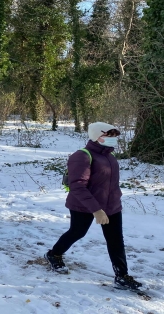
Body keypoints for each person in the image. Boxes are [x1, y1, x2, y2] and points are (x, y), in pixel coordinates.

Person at [44, 122, 142, 290]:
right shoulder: (81, 156)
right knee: (77, 232)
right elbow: (77, 186)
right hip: (83, 205)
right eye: (109, 135)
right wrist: (96, 210)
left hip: (111, 206)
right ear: (97, 137)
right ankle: (54, 254)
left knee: (116, 240)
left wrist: (115, 200)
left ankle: (122, 276)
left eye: (114, 136)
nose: (113, 139)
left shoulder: (109, 157)